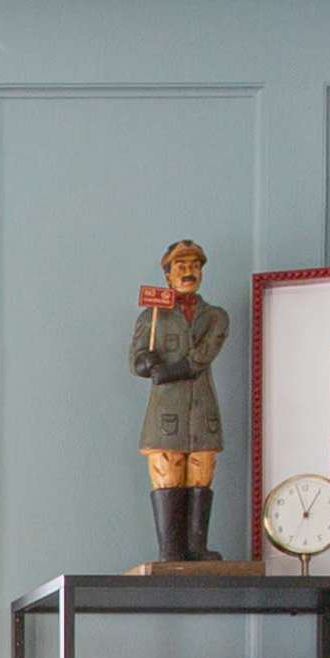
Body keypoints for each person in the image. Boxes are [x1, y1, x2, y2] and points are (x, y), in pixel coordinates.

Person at [130, 239, 229, 564]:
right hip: (166, 412)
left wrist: (170, 371)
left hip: (201, 409)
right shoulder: (152, 316)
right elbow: (135, 359)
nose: (189, 272)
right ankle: (171, 549)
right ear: (168, 275)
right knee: (168, 470)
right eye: (181, 266)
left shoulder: (215, 317)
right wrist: (145, 362)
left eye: (195, 266)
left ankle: (196, 546)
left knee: (200, 470)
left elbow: (204, 354)